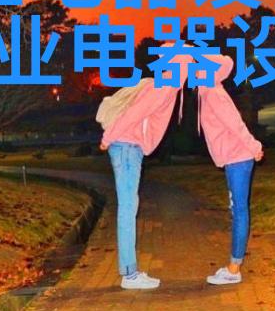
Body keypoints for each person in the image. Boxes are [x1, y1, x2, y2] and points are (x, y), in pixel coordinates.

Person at [99, 45, 193, 290]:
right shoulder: (164, 86)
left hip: (128, 147)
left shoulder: (165, 85)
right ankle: (129, 275)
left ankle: (130, 272)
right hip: (127, 147)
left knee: (129, 206)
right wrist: (109, 137)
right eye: (186, 64)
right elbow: (133, 114)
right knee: (128, 208)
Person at [197, 52, 263, 286]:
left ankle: (234, 268)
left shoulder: (214, 93)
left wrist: (254, 146)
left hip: (239, 157)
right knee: (237, 209)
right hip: (234, 158)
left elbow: (236, 124)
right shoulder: (208, 92)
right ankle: (233, 265)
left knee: (239, 211)